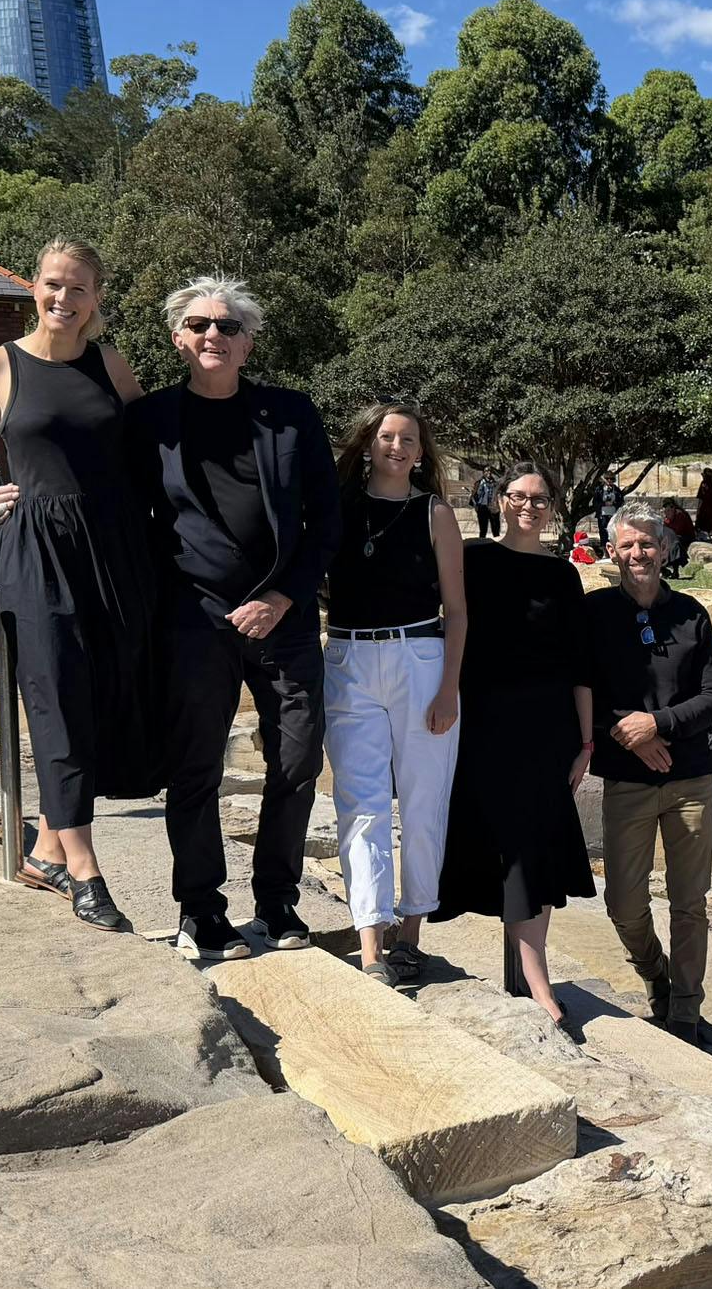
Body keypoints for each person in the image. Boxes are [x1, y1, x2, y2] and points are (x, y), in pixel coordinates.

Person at [0, 238, 156, 934]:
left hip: (114, 549)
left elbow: (151, 449)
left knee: (105, 696)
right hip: (36, 549)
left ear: (96, 300)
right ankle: (86, 867)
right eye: (53, 284)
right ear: (33, 287)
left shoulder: (109, 363)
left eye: (79, 288)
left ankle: (51, 846)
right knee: (52, 696)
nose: (64, 298)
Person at [128, 277, 342, 961]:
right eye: (199, 325)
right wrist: (12, 501)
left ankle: (278, 902)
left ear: (247, 342)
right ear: (178, 339)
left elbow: (325, 520)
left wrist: (282, 596)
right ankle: (202, 909)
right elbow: (107, 499)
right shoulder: (151, 419)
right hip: (194, 620)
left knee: (299, 760)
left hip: (283, 615)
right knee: (195, 770)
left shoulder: (290, 415)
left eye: (227, 326)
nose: (212, 334)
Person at [434, 461, 595, 1034]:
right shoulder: (473, 560)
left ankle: (535, 975)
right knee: (465, 833)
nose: (530, 505)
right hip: (480, 720)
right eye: (519, 496)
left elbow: (580, 663)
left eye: (541, 498)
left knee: (534, 846)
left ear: (553, 507)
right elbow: (446, 630)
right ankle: (400, 943)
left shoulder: (562, 576)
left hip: (546, 727)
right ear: (499, 500)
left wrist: (585, 741)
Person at [325, 399, 466, 984]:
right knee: (360, 802)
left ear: (421, 451)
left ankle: (411, 932)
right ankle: (371, 944)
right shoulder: (337, 507)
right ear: (368, 443)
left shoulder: (434, 513)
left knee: (424, 799)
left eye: (409, 439)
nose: (398, 447)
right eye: (387, 436)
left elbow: (457, 611)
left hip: (421, 658)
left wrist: (449, 688)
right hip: (350, 654)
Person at [586, 502, 712, 1043]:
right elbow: (582, 694)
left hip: (691, 779)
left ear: (664, 550)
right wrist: (632, 735)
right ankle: (656, 976)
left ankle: (686, 1011)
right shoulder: (594, 613)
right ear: (613, 551)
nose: (639, 554)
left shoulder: (690, 613)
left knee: (689, 903)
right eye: (629, 545)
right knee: (623, 901)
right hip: (629, 779)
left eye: (648, 544)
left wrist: (659, 724)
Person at [660, 496, 696, 579]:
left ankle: (675, 571)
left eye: (668, 508)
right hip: (675, 537)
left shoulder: (680, 515)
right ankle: (664, 570)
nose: (666, 511)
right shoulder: (668, 518)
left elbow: (677, 531)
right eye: (665, 508)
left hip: (685, 538)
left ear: (673, 507)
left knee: (673, 544)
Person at [595, 472, 624, 550]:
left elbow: (621, 501)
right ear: (604, 479)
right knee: (603, 532)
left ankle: (613, 549)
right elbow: (595, 502)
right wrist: (604, 503)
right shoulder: (599, 489)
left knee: (613, 532)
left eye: (611, 479)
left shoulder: (616, 489)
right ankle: (604, 550)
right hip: (602, 514)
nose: (609, 480)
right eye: (607, 478)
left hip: (613, 514)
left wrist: (613, 503)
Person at [471, 467, 501, 538]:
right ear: (483, 473)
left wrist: (498, 506)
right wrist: (476, 506)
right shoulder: (479, 483)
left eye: (490, 471)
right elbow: (474, 495)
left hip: (493, 508)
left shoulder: (495, 483)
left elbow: (499, 495)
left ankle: (497, 545)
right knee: (483, 530)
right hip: (482, 507)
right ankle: (481, 544)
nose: (489, 473)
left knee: (496, 530)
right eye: (487, 471)